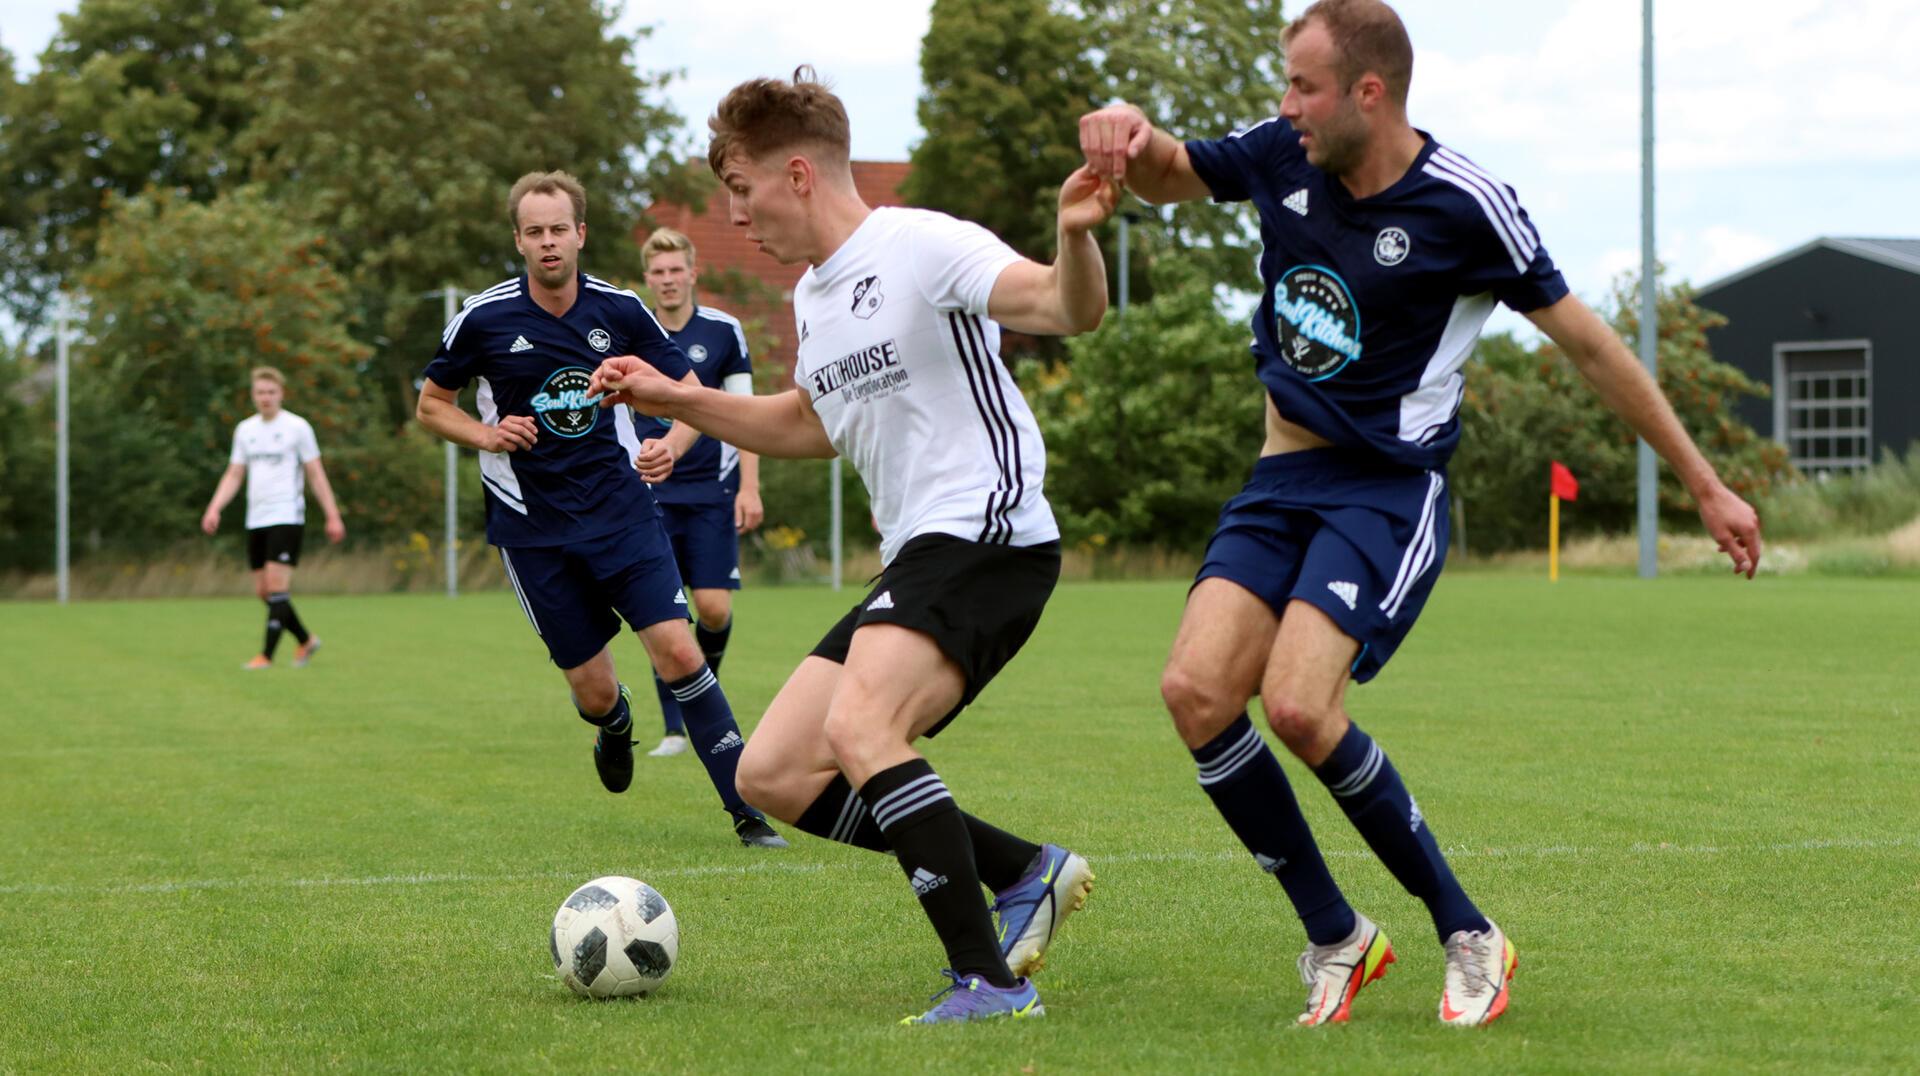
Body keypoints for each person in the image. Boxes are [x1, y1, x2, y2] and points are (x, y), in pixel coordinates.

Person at [1078, 0, 1762, 1029]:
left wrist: (1704, 480)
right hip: (1278, 483)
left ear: (1371, 91)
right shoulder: (1282, 152)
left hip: (1386, 489)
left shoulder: (1466, 204)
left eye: (1303, 86)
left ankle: (1469, 930)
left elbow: (1589, 346)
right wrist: (1131, 128)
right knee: (1194, 690)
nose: (1284, 105)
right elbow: (1175, 171)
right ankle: (1337, 934)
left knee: (1301, 706)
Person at [590, 68, 1112, 1024]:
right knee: (772, 773)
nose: (736, 216)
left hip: (987, 533)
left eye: (741, 192)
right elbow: (809, 423)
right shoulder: (815, 299)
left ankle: (987, 986)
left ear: (796, 173)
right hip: (918, 553)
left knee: (864, 731)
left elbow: (1063, 308)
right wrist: (674, 397)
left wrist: (1074, 237)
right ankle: (1023, 870)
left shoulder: (923, 244)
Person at [415, 169, 787, 849]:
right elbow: (431, 404)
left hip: (622, 511)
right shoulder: (483, 317)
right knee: (592, 690)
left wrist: (671, 443)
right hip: (532, 530)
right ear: (519, 241)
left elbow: (691, 390)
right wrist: (486, 433)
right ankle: (616, 724)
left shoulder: (619, 310)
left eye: (560, 229)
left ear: (581, 233)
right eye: (535, 232)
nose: (549, 242)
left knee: (678, 647)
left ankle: (747, 812)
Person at [634, 228, 763, 759]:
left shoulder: (724, 331)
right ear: (647, 279)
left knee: (711, 609)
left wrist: (750, 487)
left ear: (693, 273)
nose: (667, 281)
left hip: (713, 490)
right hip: (650, 492)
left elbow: (747, 414)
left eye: (675, 270)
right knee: (664, 611)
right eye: (657, 273)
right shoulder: (631, 330)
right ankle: (673, 729)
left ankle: (701, 683)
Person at [201, 366, 346, 670]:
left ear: (281, 394)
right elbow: (234, 473)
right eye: (260, 392)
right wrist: (215, 507)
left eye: (271, 392)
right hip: (256, 517)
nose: (265, 397)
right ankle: (306, 640)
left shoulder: (297, 428)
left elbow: (315, 475)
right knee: (264, 591)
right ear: (253, 396)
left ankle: (265, 657)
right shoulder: (245, 430)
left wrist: (332, 515)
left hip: (286, 514)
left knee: (277, 586)